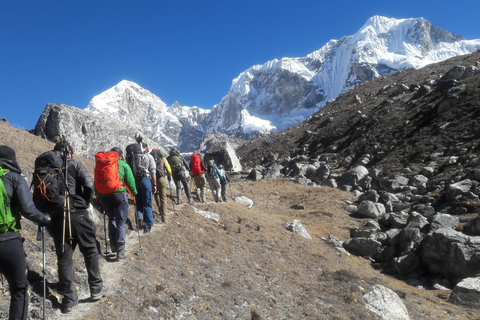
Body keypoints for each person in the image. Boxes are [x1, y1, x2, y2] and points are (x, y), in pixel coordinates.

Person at [46, 142, 107, 314]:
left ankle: (69, 299)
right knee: (89, 249)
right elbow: (89, 186)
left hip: (57, 217)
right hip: (77, 213)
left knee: (64, 257)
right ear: (70, 152)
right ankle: (96, 288)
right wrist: (84, 202)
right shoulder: (75, 165)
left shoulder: (47, 169)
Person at [0, 145, 51, 320]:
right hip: (8, 241)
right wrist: (44, 219)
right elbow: (28, 210)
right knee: (19, 290)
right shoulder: (14, 178)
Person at [97, 147, 137, 260]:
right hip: (119, 195)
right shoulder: (122, 164)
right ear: (120, 155)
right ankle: (120, 250)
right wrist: (134, 192)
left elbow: (97, 181)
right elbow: (130, 180)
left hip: (104, 196)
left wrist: (99, 196)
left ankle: (113, 244)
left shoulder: (103, 164)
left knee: (112, 219)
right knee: (121, 222)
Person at [134, 143, 156, 233]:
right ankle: (148, 225)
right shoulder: (149, 156)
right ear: (146, 148)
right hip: (145, 180)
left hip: (135, 181)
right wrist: (154, 184)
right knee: (147, 204)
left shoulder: (133, 157)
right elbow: (153, 171)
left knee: (138, 202)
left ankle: (139, 215)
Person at [150, 148, 171, 223]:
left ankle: (160, 210)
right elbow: (168, 168)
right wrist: (169, 176)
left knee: (156, 195)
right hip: (162, 178)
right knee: (163, 197)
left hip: (153, 179)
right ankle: (164, 217)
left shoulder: (150, 159)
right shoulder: (163, 159)